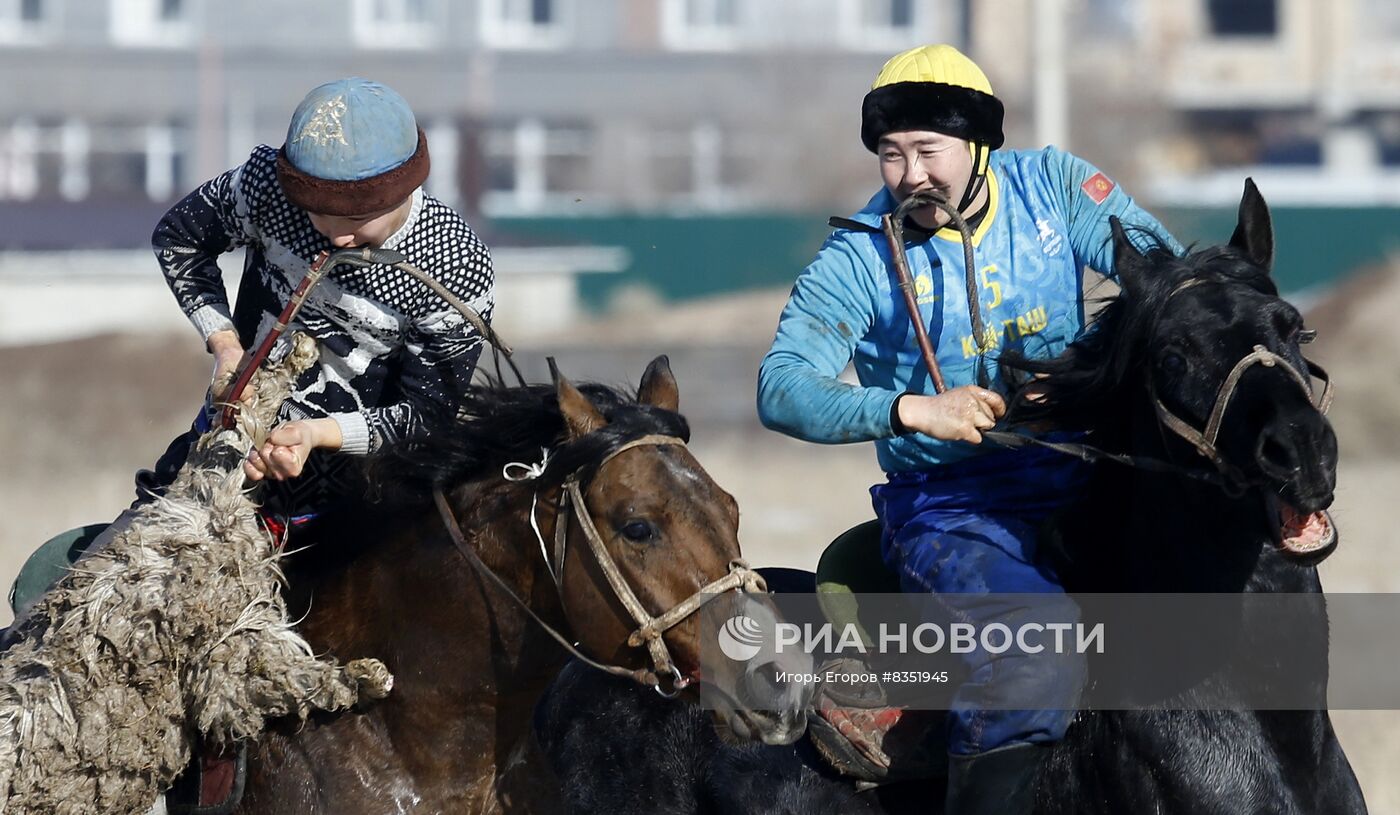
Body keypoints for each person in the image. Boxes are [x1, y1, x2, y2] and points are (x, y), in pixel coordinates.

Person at [756, 45, 1180, 813]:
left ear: (979, 144)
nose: (912, 174)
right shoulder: (856, 254)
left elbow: (1168, 276)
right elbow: (780, 387)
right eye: (891, 153)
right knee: (1033, 656)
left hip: (1088, 476)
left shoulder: (1054, 186)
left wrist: (1085, 364)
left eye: (929, 150)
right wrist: (909, 408)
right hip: (949, 510)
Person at [10, 77, 494, 619]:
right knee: (79, 608)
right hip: (223, 445)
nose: (337, 239)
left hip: (360, 500)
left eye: (358, 222)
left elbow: (426, 418)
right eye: (318, 215)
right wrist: (225, 346)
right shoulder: (265, 185)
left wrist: (315, 435)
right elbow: (180, 238)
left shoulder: (457, 265)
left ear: (404, 190)